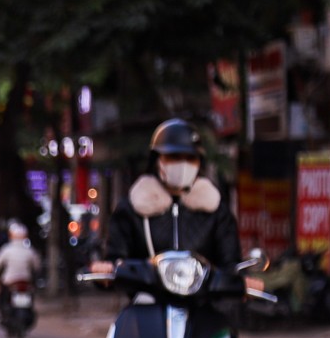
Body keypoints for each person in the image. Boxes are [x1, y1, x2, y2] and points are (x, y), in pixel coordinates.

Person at [92, 120, 255, 285]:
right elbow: (114, 260)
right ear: (157, 160)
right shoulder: (131, 209)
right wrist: (105, 270)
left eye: (191, 158)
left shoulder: (216, 211)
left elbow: (231, 264)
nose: (183, 164)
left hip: (201, 305)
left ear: (199, 163)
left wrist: (242, 281)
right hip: (146, 302)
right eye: (173, 157)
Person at [0, 222, 40, 311]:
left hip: (10, 281)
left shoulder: (6, 249)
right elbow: (37, 266)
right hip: (26, 280)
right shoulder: (30, 250)